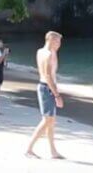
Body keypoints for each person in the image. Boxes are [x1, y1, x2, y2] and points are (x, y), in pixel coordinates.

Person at [25, 31, 64, 159]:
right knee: (47, 120)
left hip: (44, 87)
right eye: (57, 41)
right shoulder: (48, 55)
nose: (59, 44)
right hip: (47, 88)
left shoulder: (40, 51)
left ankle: (53, 151)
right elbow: (48, 76)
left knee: (51, 122)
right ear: (51, 40)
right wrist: (57, 95)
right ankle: (29, 149)